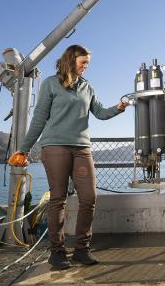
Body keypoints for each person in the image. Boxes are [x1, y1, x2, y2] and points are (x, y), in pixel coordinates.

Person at [9, 44, 127, 270]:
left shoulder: (87, 87)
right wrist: (23, 149)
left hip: (82, 148)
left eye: (87, 64)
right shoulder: (50, 84)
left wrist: (119, 108)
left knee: (89, 197)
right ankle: (57, 252)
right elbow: (39, 119)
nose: (86, 67)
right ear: (71, 60)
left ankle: (81, 249)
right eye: (83, 62)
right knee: (58, 199)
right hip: (55, 148)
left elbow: (100, 113)